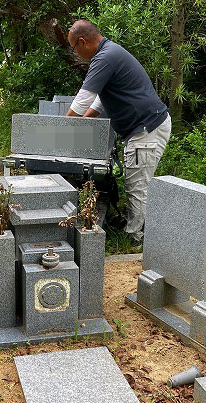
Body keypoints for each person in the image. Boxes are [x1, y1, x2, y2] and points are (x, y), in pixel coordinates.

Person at [66, 20, 171, 244]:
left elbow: (83, 98)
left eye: (74, 48)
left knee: (137, 186)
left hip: (146, 129)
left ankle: (135, 238)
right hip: (143, 127)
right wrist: (84, 123)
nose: (75, 53)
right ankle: (135, 226)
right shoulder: (109, 53)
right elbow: (99, 101)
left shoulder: (105, 58)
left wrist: (62, 130)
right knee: (136, 182)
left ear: (82, 42)